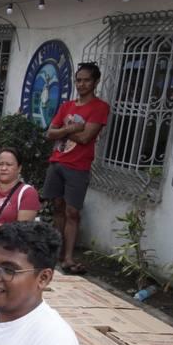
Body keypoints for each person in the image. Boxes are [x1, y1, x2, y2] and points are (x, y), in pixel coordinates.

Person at [43, 62, 109, 274]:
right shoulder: (66, 106)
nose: (81, 84)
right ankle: (57, 253)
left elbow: (86, 137)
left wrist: (62, 130)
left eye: (86, 80)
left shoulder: (99, 107)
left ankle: (68, 258)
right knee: (58, 208)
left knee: (73, 212)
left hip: (78, 166)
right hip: (57, 162)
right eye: (78, 80)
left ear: (95, 82)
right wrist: (72, 128)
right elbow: (49, 133)